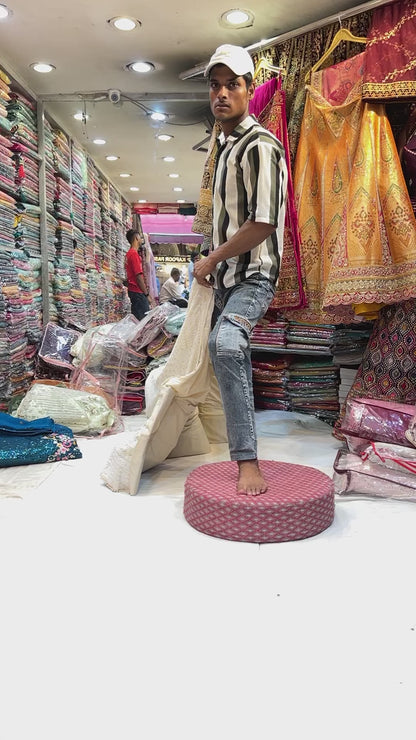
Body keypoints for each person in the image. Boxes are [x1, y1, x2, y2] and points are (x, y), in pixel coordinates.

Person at [193, 44, 288, 496]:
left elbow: (264, 221)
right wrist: (213, 260)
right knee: (208, 352)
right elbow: (226, 219)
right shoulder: (224, 150)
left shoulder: (260, 145)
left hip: (255, 274)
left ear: (250, 89)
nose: (222, 94)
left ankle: (247, 461)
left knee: (227, 344)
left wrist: (212, 258)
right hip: (227, 279)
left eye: (233, 84)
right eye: (215, 85)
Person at [124, 229, 150, 320]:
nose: (141, 239)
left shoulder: (128, 254)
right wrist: (146, 294)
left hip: (133, 291)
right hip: (138, 292)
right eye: (140, 237)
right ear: (136, 238)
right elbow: (138, 277)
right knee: (143, 321)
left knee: (137, 320)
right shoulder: (134, 254)